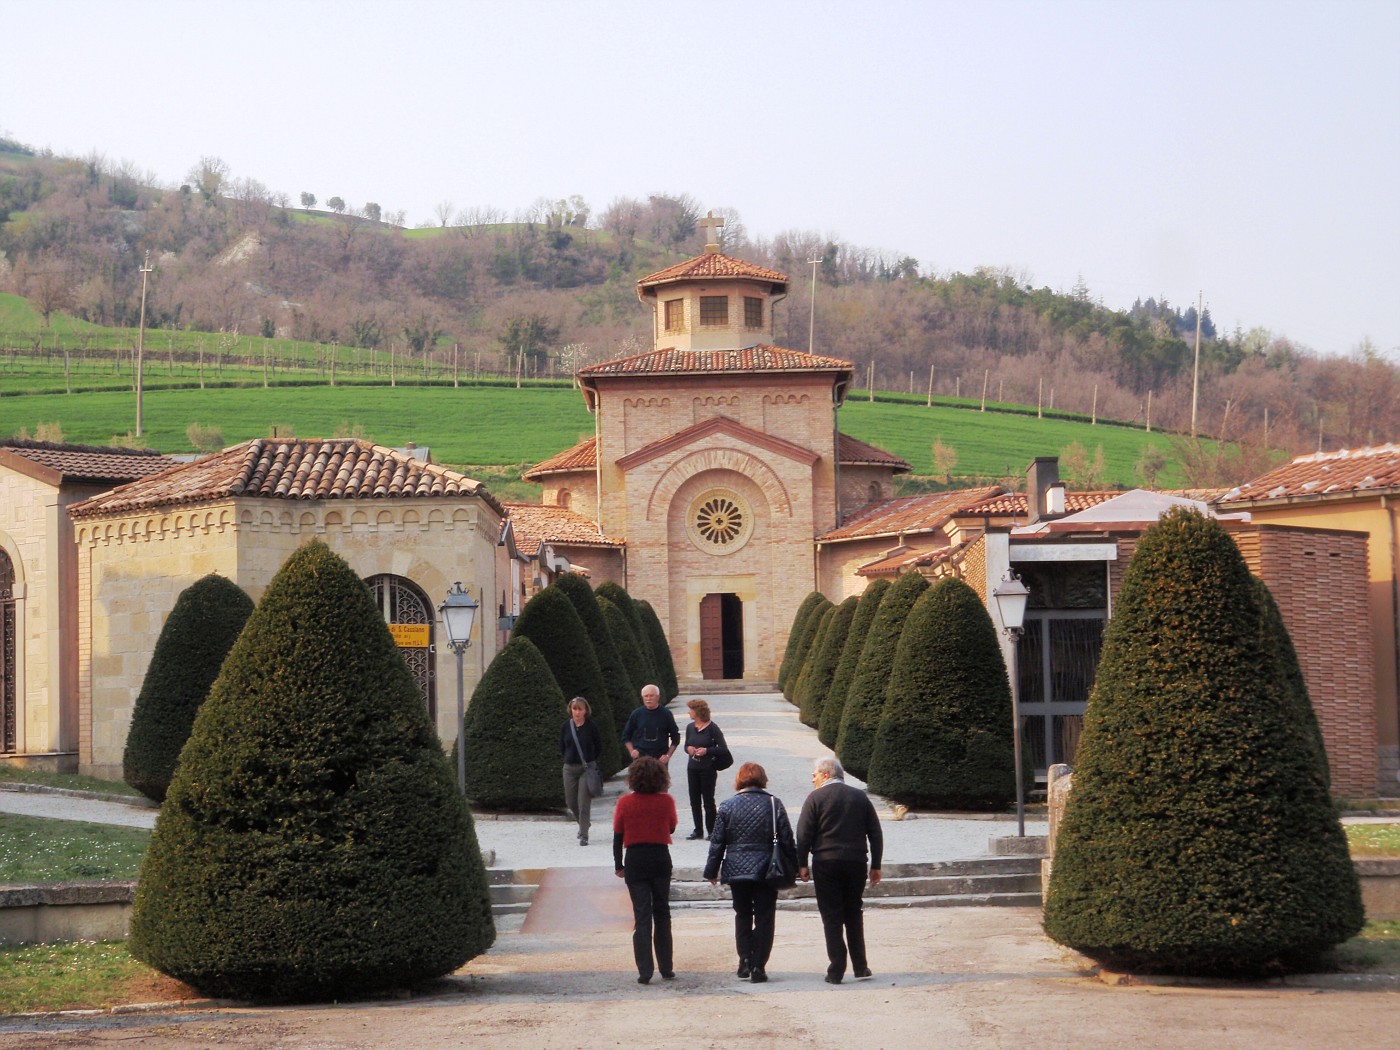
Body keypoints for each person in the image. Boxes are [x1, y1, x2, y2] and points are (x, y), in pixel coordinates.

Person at [704, 761, 796, 984]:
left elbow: (718, 842)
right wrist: (796, 866)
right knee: (765, 917)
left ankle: (744, 958)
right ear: (762, 779)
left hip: (737, 868)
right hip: (767, 869)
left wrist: (711, 870)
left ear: (739, 779)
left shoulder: (727, 806)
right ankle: (758, 965)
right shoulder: (774, 804)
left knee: (742, 914)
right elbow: (786, 839)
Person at [795, 756, 883, 984]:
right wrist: (876, 865)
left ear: (826, 774)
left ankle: (836, 969)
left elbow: (803, 834)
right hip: (856, 862)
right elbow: (875, 833)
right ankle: (861, 966)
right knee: (854, 912)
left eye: (814, 774)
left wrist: (801, 863)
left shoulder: (815, 798)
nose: (812, 778)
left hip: (826, 862)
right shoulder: (859, 797)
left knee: (831, 915)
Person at [613, 755, 678, 984]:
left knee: (641, 916)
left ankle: (645, 970)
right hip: (660, 858)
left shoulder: (624, 803)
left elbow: (618, 835)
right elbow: (671, 827)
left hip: (636, 859)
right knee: (662, 913)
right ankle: (667, 967)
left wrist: (618, 864)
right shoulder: (666, 801)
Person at [559, 696, 603, 846]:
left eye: (580, 709)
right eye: (574, 709)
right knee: (571, 802)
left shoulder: (591, 726)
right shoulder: (566, 726)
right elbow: (562, 747)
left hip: (586, 768)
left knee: (583, 803)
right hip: (569, 768)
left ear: (585, 710)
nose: (577, 712)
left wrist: (590, 761)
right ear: (570, 710)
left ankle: (583, 834)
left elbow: (598, 746)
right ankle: (584, 823)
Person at [682, 697, 728, 839]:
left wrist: (707, 751)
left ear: (697, 711)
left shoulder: (713, 728)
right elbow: (685, 746)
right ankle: (698, 830)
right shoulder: (690, 727)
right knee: (694, 800)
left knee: (708, 800)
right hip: (692, 767)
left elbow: (723, 749)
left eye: (691, 710)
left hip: (707, 768)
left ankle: (712, 830)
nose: (689, 712)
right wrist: (688, 749)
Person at [620, 683, 680, 764]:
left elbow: (676, 737)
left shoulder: (666, 714)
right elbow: (626, 736)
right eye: (646, 696)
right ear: (642, 697)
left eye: (651, 696)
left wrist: (668, 755)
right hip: (640, 759)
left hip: (660, 760)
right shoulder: (636, 714)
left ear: (658, 697)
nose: (648, 698)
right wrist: (632, 751)